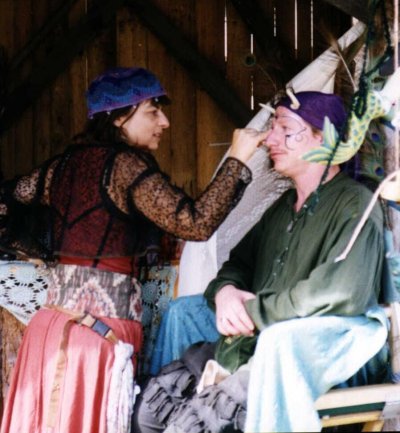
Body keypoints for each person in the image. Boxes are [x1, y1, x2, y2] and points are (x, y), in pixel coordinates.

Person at [0, 67, 267, 433]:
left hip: (50, 328)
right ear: (117, 117)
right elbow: (195, 223)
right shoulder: (123, 166)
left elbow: (5, 204)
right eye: (152, 111)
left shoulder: (61, 167)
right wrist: (237, 158)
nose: (165, 122)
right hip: (94, 340)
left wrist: (45, 253)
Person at [134, 90, 389, 433]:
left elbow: (340, 292)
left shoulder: (355, 204)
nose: (270, 139)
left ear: (323, 137)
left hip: (311, 355)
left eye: (286, 129)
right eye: (273, 129)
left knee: (193, 424)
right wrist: (226, 292)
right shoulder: (283, 206)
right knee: (150, 409)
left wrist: (253, 311)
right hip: (255, 339)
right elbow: (238, 263)